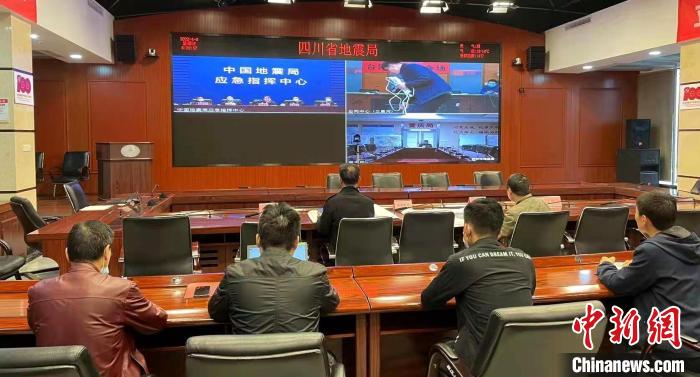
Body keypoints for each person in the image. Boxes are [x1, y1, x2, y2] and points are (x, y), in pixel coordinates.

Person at [27, 221, 167, 377]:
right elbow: (157, 321)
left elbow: (34, 326)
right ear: (107, 253)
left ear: (67, 254)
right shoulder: (121, 289)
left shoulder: (38, 292)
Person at [421, 198, 535, 368]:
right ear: (500, 230)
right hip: (521, 358)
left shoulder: (460, 262)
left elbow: (429, 300)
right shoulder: (525, 259)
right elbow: (529, 291)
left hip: (479, 363)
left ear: (467, 229)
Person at [598, 192, 700, 369]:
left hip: (671, 346)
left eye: (636, 213)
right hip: (694, 339)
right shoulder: (692, 244)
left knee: (618, 325)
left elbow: (619, 283)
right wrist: (637, 267)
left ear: (643, 219)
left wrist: (606, 266)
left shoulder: (652, 250)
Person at [208, 203, 339, 333]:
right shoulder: (316, 274)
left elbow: (216, 312)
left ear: (257, 240)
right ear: (296, 242)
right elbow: (331, 304)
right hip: (302, 354)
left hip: (251, 354)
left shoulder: (234, 275)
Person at [317, 163, 374, 251]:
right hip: (364, 252)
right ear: (359, 179)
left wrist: (319, 218)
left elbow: (323, 231)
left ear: (340, 180)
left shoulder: (332, 202)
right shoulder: (368, 202)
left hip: (339, 252)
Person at [498, 173, 550, 243]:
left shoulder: (512, 213)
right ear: (528, 188)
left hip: (520, 252)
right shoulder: (543, 204)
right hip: (546, 250)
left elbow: (498, 236)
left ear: (509, 191)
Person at [382, 61, 452, 113]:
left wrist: (406, 85)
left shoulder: (410, 67)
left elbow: (427, 79)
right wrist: (408, 103)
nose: (390, 71)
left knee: (411, 113)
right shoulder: (405, 71)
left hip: (435, 95)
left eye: (389, 68)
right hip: (432, 95)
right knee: (411, 111)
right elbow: (415, 90)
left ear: (393, 65)